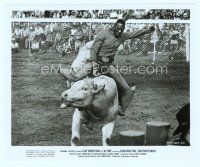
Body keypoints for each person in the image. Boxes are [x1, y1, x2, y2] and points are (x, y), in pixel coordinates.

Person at [60, 19, 155, 116]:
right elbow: (94, 49)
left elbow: (135, 34)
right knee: (76, 77)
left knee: (126, 88)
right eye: (117, 29)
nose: (119, 31)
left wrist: (148, 30)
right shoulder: (103, 34)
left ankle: (120, 107)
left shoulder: (122, 36)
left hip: (108, 65)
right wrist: (94, 63)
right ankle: (67, 97)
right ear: (114, 27)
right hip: (95, 62)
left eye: (121, 30)